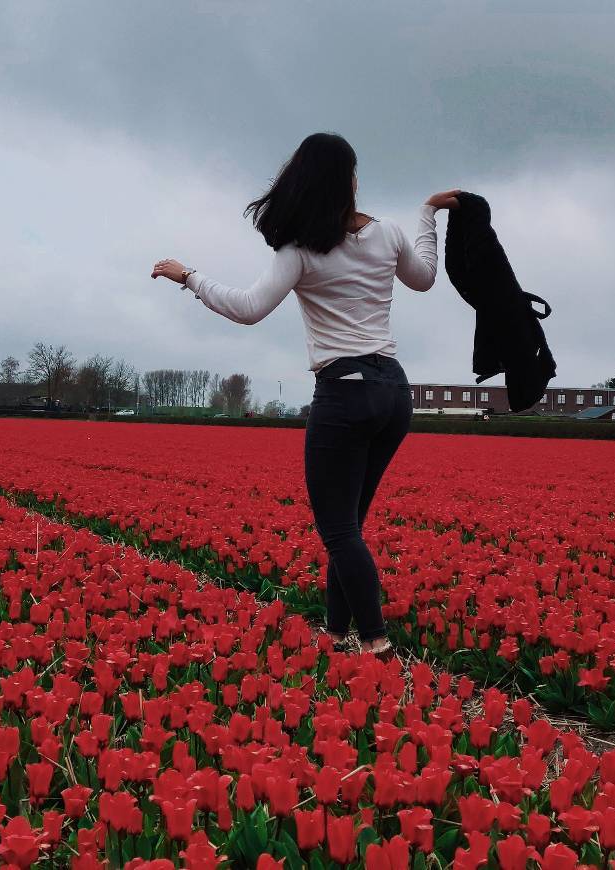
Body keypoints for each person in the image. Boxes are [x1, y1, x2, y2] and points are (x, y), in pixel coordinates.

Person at [151, 132, 459, 658]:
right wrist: (428, 214)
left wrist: (190, 277)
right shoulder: (388, 233)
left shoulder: (300, 250)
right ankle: (337, 634)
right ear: (350, 181)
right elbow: (426, 279)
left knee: (338, 529)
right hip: (393, 391)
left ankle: (376, 642)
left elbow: (247, 308)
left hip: (344, 393)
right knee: (350, 526)